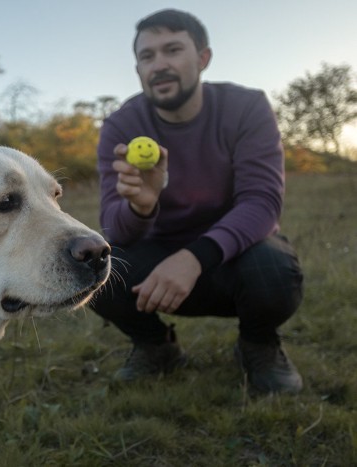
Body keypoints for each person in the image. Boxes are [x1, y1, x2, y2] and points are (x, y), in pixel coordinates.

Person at [91, 8, 304, 393]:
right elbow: (114, 227)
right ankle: (155, 347)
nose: (160, 65)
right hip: (154, 265)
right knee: (96, 269)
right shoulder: (120, 127)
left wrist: (193, 258)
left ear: (203, 58)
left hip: (232, 258)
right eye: (147, 56)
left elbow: (262, 202)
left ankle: (258, 345)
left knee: (275, 271)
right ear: (138, 70)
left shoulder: (246, 108)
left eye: (173, 50)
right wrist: (142, 206)